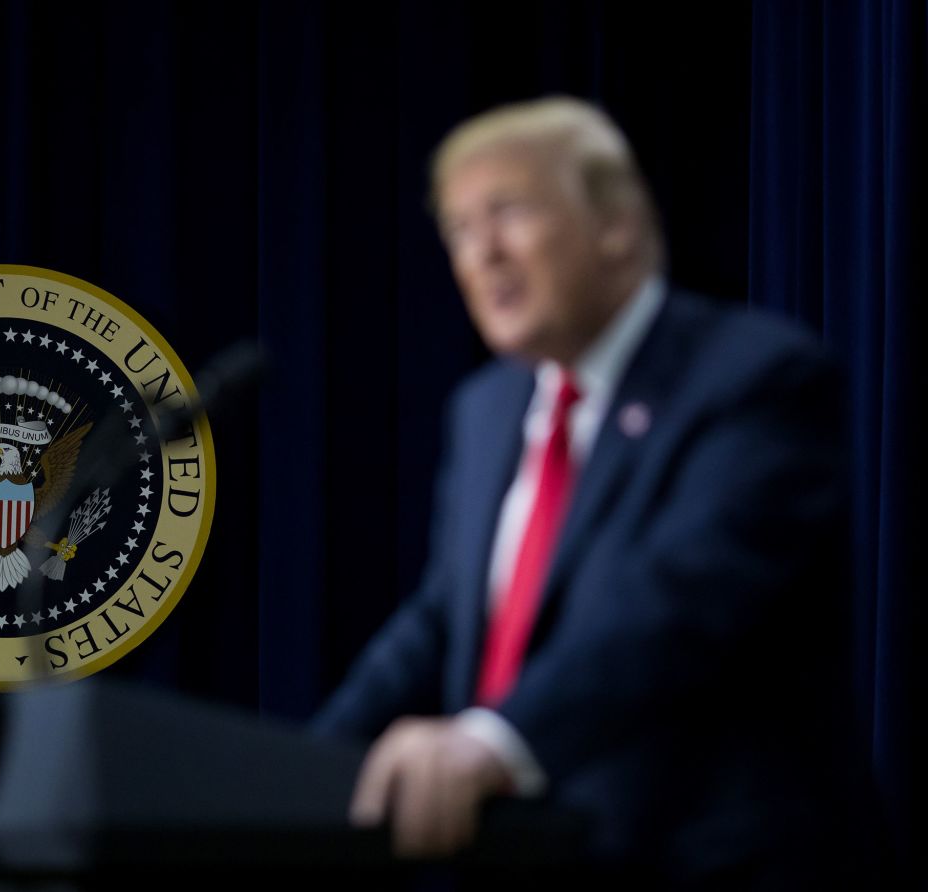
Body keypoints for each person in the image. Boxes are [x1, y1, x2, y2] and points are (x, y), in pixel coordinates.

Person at [313, 96, 861, 886]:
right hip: (530, 855)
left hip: (710, 862)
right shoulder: (487, 409)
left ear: (615, 224)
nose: (483, 254)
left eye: (508, 212)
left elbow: (675, 606)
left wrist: (493, 742)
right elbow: (443, 618)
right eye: (460, 231)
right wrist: (305, 766)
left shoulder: (757, 377)